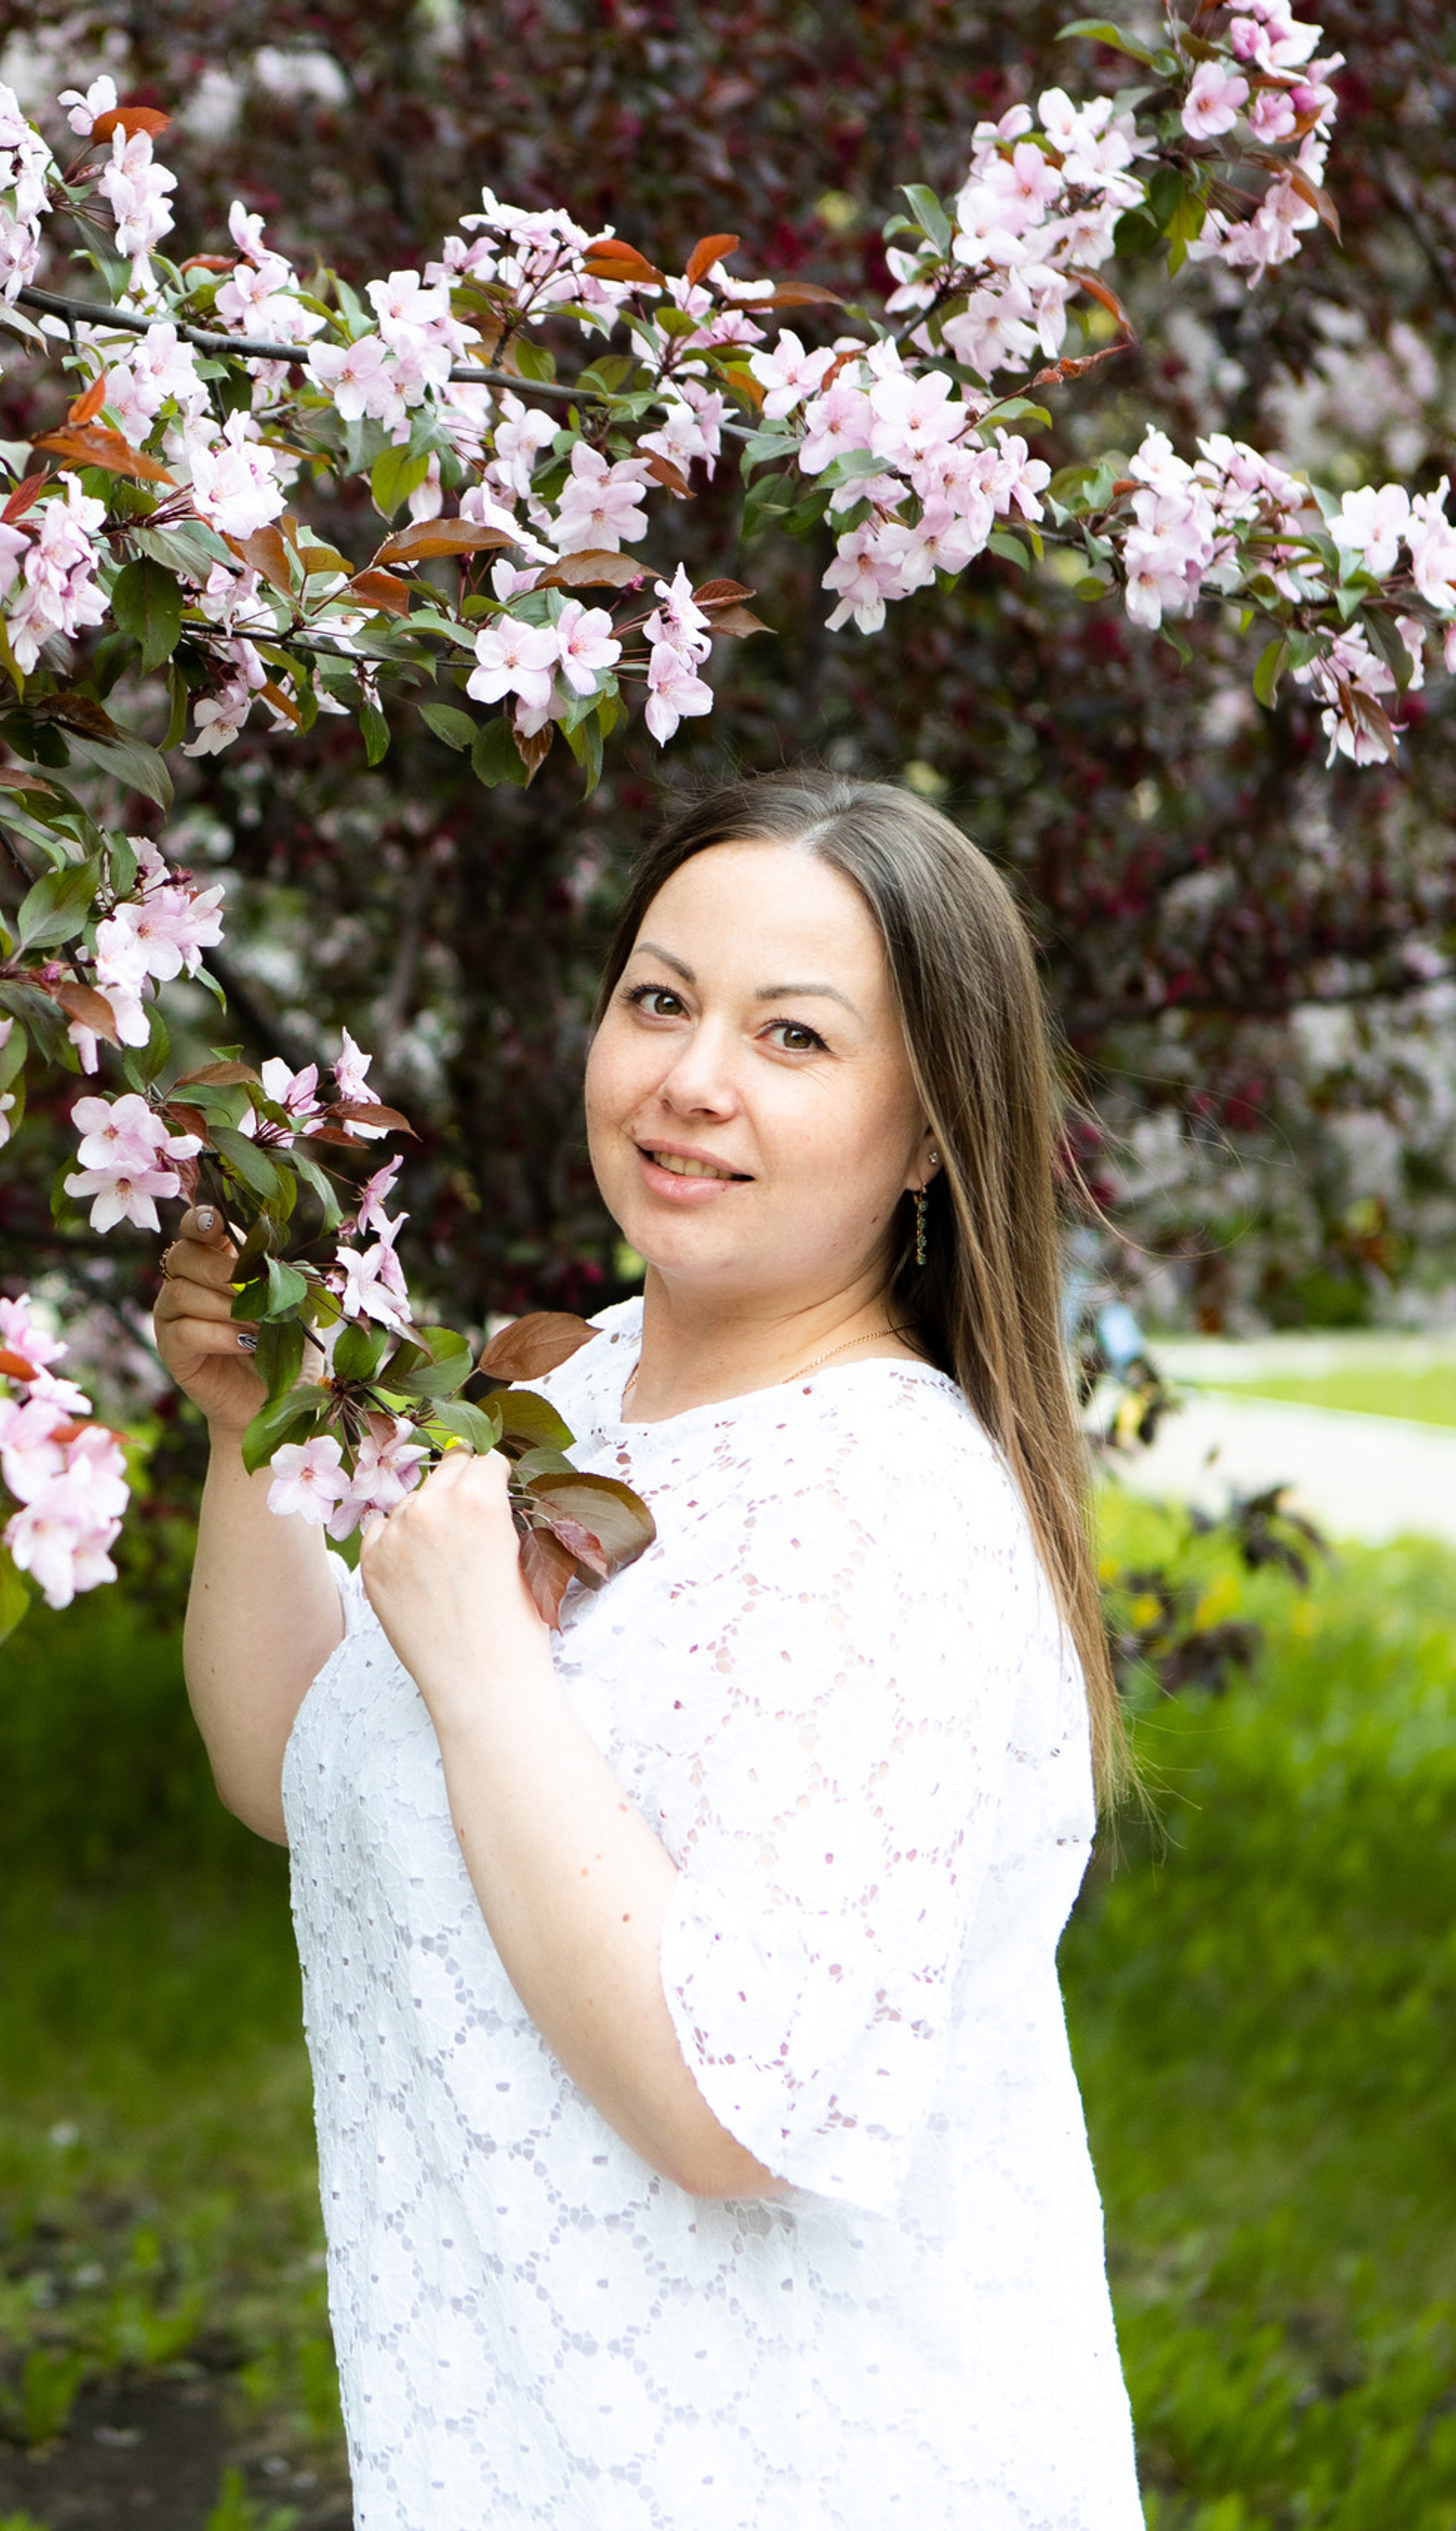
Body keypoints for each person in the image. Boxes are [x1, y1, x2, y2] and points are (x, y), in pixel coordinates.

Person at [153, 769, 1148, 2529]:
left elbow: (729, 2109)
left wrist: (486, 1673)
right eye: (661, 1002)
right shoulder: (562, 1391)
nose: (694, 1082)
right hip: (526, 2452)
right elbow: (295, 1773)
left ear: (928, 1130)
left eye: (795, 1039)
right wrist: (254, 1431)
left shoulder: (891, 1510)